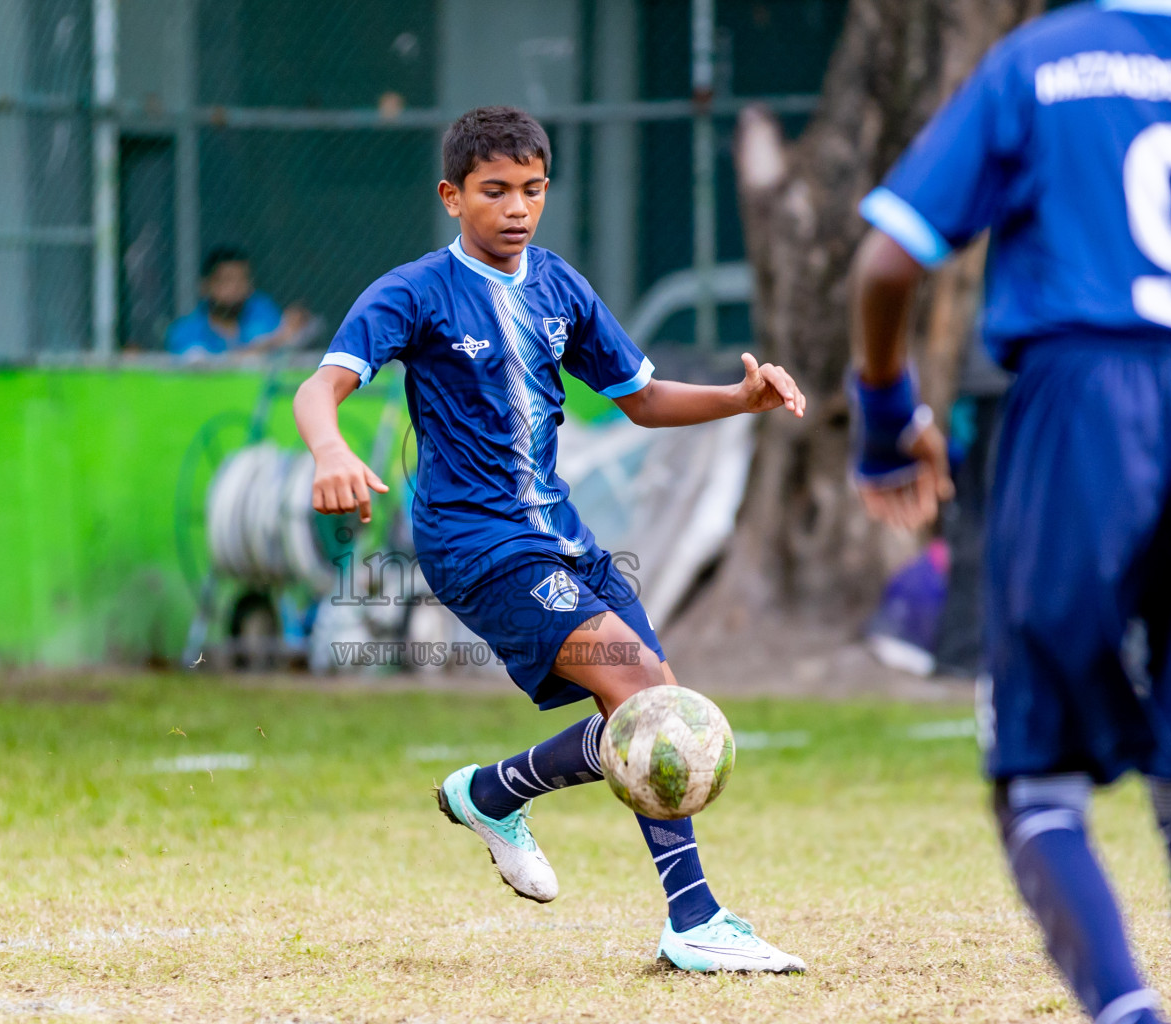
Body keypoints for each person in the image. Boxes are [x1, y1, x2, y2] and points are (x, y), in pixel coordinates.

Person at [292, 106, 808, 973]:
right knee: (644, 689)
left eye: (532, 189)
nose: (517, 208)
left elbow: (640, 398)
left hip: (561, 537)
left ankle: (494, 795)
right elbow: (323, 384)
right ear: (452, 197)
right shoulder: (416, 291)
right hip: (475, 545)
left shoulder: (560, 286)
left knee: (655, 710)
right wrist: (330, 447)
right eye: (494, 191)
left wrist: (737, 398)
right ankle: (697, 920)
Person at [848, 3, 1171, 1023]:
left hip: (1084, 399)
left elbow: (890, 258)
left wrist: (886, 420)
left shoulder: (1041, 59)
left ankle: (1126, 1007)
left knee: (1033, 770)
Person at [166, 247, 302, 358]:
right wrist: (271, 343)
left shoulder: (263, 312)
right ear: (205, 286)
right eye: (227, 280)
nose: (236, 287)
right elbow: (204, 370)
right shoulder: (186, 330)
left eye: (243, 279)